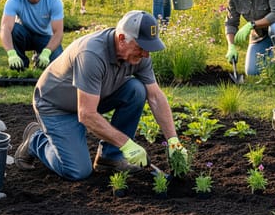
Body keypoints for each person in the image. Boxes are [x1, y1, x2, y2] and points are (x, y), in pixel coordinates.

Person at [14, 10, 188, 181]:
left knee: (137, 90)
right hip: (56, 106)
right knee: (78, 171)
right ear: (122, 39)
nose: (146, 54)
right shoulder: (91, 54)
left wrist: (173, 141)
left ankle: (110, 158)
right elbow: (87, 114)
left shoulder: (139, 56)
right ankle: (35, 140)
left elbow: (155, 96)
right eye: (141, 47)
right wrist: (126, 144)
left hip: (92, 98)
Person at [0, 0, 64, 71]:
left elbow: (58, 33)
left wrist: (47, 51)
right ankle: (20, 65)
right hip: (25, 35)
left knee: (58, 67)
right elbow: (5, 28)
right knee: (14, 30)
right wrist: (11, 53)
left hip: (45, 37)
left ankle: (40, 56)